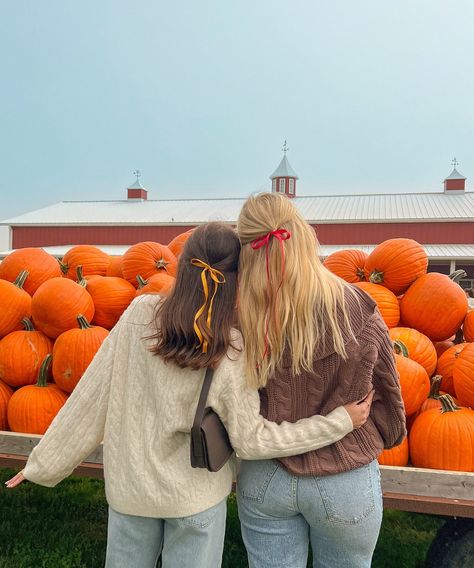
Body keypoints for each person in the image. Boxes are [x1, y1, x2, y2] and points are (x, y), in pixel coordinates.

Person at [5, 222, 373, 568]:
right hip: (196, 501)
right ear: (237, 281)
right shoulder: (232, 346)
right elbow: (252, 441)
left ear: (181, 267)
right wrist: (338, 422)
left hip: (131, 493)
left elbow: (90, 398)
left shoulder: (138, 313)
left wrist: (43, 463)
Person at [235, 194, 406, 568]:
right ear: (304, 237)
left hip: (266, 474)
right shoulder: (358, 308)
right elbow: (391, 400)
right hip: (345, 477)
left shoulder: (238, 317)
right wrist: (379, 433)